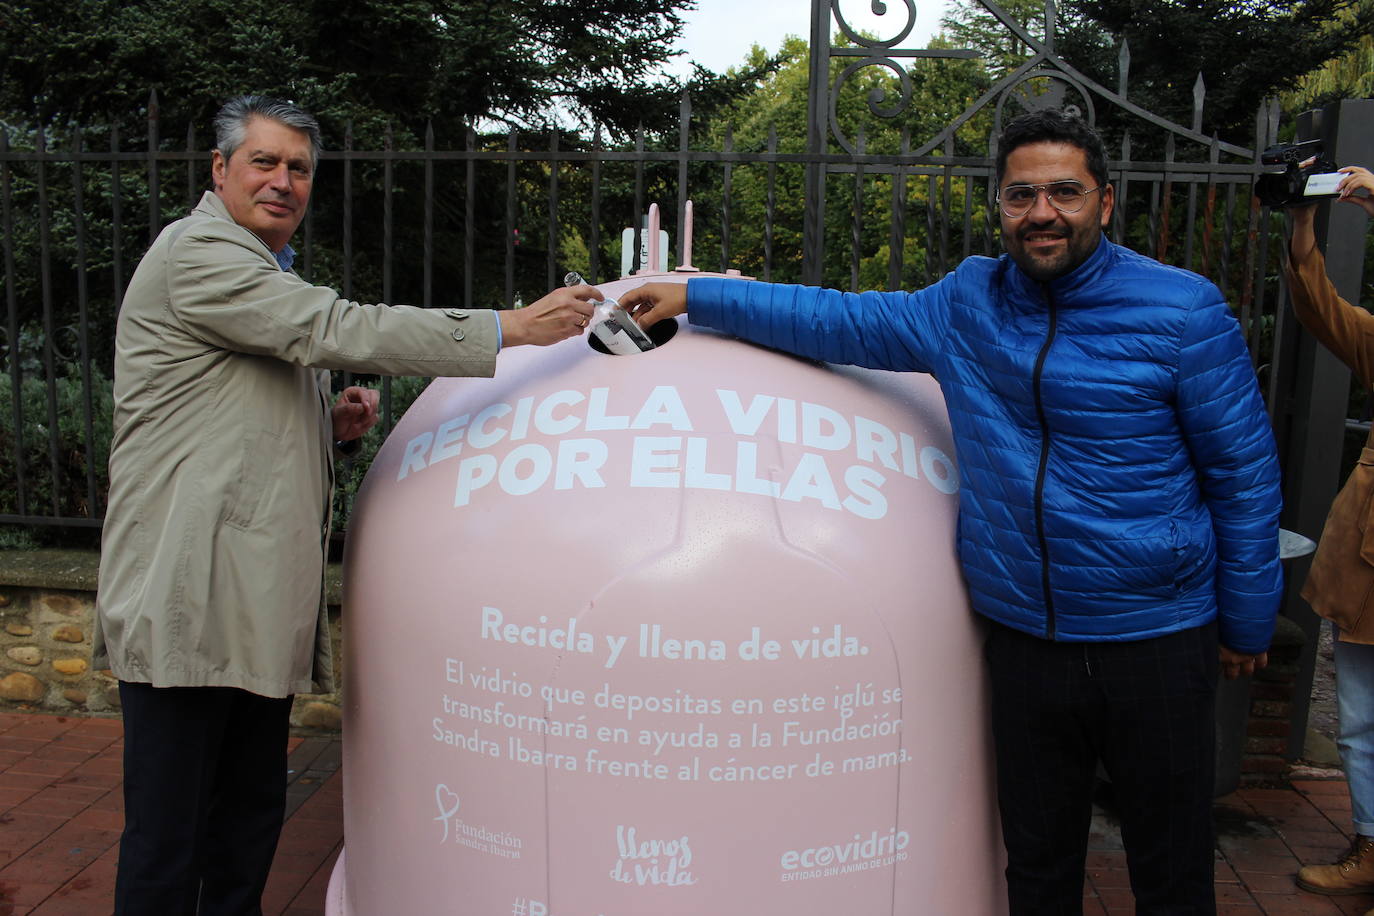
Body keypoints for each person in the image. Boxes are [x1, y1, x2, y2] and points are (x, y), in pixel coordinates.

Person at [620, 107, 1284, 914]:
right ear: (1000, 206)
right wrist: (694, 296)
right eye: (1021, 195)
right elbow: (838, 319)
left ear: (1105, 203)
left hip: (1153, 638)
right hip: (1026, 640)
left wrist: (1248, 620)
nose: (1043, 213)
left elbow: (1243, 473)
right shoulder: (965, 304)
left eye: (1065, 192)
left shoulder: (1181, 312)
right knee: (1037, 862)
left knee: (1170, 866)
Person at [92, 95, 597, 916]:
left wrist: (327, 426)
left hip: (247, 598)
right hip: (186, 593)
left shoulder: (258, 269)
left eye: (298, 168)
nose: (283, 181)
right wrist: (510, 327)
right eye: (264, 162)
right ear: (219, 171)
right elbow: (329, 327)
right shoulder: (199, 255)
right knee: (170, 832)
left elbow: (221, 419)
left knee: (250, 812)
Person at [1283, 165, 1374, 904]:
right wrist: (1303, 220)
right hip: (1368, 571)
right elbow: (1319, 307)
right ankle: (1371, 846)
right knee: (1360, 724)